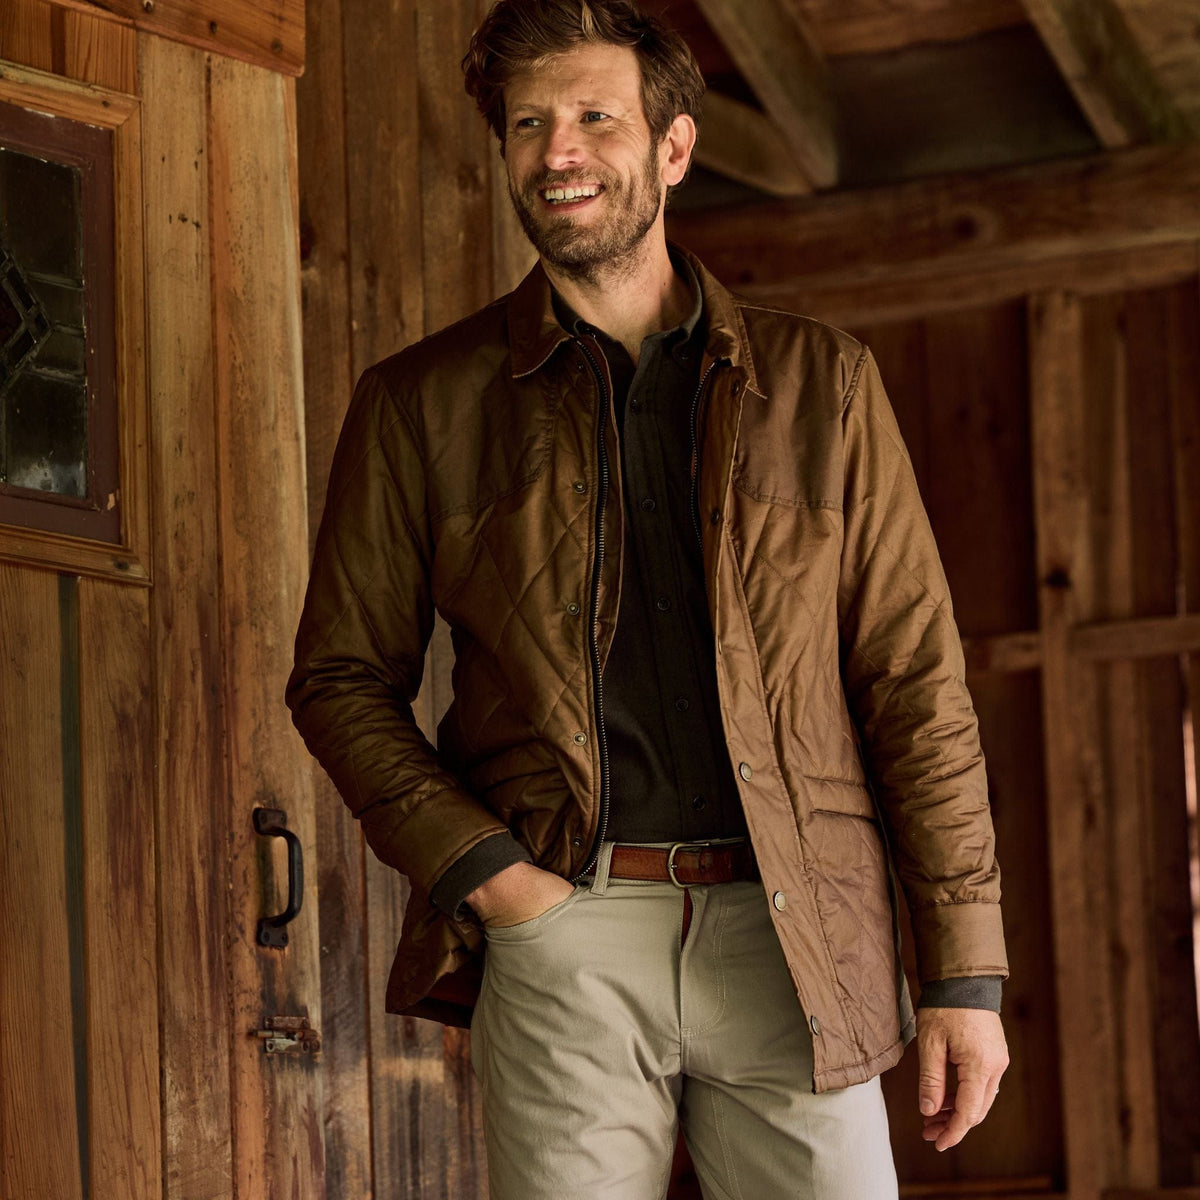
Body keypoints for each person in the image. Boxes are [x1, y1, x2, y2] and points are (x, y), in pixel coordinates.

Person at [287, 1, 1010, 1195]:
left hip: (799, 940)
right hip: (569, 928)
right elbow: (339, 676)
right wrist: (496, 883)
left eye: (592, 117)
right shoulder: (421, 403)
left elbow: (915, 683)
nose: (557, 150)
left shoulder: (823, 386)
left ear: (673, 147)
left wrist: (965, 975)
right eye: (528, 123)